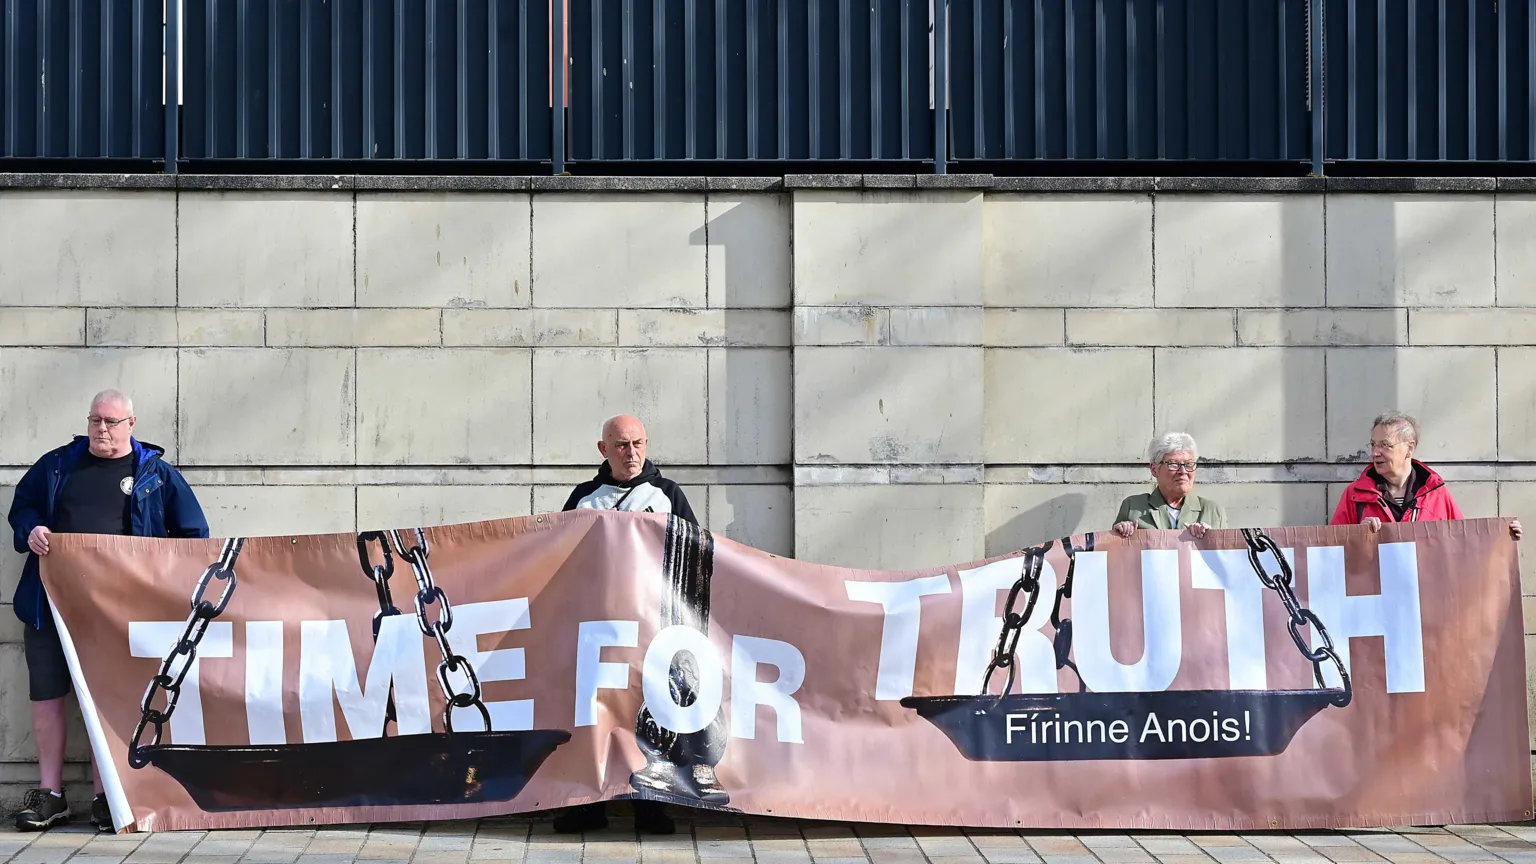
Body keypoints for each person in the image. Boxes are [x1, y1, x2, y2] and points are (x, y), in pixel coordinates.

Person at [6, 390, 209, 832]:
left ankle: (105, 797)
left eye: (112, 422)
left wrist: (155, 572)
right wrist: (32, 530)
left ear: (132, 424)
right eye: (97, 420)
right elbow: (21, 509)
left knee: (109, 703)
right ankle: (51, 795)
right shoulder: (58, 464)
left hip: (118, 614)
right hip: (50, 606)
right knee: (47, 698)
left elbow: (194, 534)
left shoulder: (155, 474)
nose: (103, 429)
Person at [555, 415, 725, 835]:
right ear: (603, 449)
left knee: (651, 713)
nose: (630, 453)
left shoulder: (667, 495)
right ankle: (589, 805)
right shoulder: (584, 498)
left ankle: (651, 806)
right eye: (620, 445)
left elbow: (695, 554)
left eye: (637, 444)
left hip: (652, 627)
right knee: (597, 718)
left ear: (646, 444)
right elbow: (557, 555)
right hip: (599, 629)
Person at [1332, 411, 1523, 540]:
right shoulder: (1355, 495)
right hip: (1377, 594)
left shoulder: (1436, 494)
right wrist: (1358, 534)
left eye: (1385, 445)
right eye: (1373, 444)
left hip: (1426, 595)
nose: (1375, 452)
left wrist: (1503, 537)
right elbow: (1332, 547)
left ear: (1410, 448)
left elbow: (1464, 543)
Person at [1113, 432, 1226, 538]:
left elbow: (1225, 556)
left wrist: (1211, 540)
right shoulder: (1133, 508)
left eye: (1189, 464)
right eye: (1173, 464)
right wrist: (1119, 534)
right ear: (1154, 469)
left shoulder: (1213, 512)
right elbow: (1117, 554)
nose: (1183, 471)